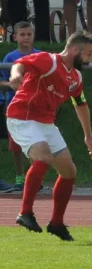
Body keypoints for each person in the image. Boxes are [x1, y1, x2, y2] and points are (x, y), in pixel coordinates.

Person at [6, 31, 92, 241]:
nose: (90, 60)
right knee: (44, 157)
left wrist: (88, 135)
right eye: (89, 54)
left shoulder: (76, 76)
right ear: (75, 50)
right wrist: (15, 75)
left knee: (69, 171)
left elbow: (81, 104)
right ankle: (25, 212)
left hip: (46, 123)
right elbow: (20, 64)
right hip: (23, 117)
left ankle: (56, 223)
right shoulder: (49, 60)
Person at [1, 22, 40, 191]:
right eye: (22, 34)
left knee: (36, 141)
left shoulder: (40, 56)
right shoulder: (9, 58)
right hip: (15, 105)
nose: (26, 38)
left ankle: (34, 178)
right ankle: (19, 178)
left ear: (33, 36)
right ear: (15, 36)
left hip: (37, 105)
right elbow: (2, 80)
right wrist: (11, 84)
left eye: (29, 34)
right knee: (15, 144)